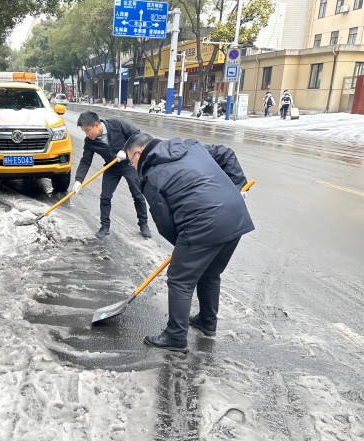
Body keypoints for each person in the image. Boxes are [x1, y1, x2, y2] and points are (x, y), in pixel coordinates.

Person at [122, 132, 255, 352]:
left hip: (204, 223)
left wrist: (184, 248)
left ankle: (175, 336)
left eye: (131, 161)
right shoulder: (191, 146)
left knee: (179, 280)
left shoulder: (150, 177)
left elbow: (164, 223)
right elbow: (226, 153)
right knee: (210, 273)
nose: (133, 166)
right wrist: (237, 186)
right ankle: (207, 321)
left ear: (138, 153)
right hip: (236, 215)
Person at [74, 111, 152, 239]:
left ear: (96, 125)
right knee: (105, 197)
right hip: (111, 167)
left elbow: (137, 134)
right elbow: (85, 161)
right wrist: (78, 180)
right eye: (84, 131)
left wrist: (125, 150)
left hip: (129, 165)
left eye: (87, 130)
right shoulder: (89, 142)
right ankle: (104, 227)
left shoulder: (117, 124)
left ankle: (143, 224)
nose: (86, 134)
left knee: (137, 195)